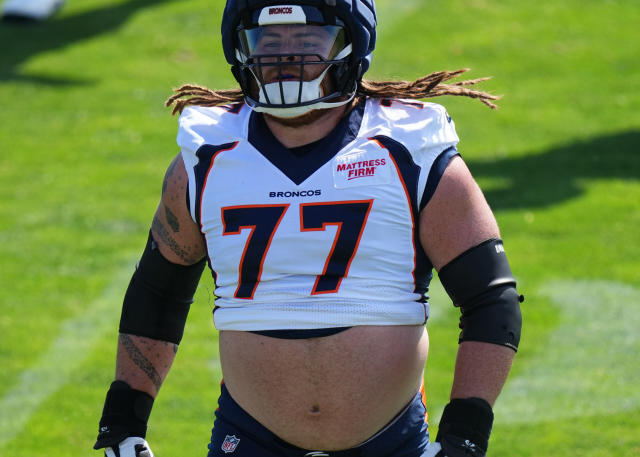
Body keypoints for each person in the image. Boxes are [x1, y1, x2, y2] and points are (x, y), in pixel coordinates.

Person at [93, 1, 523, 456]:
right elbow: (158, 293)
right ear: (241, 50)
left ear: (350, 42)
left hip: (391, 442)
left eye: (306, 41)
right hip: (250, 437)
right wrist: (123, 423)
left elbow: (491, 299)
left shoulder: (409, 146)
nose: (285, 59)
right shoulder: (207, 154)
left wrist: (464, 437)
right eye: (269, 42)